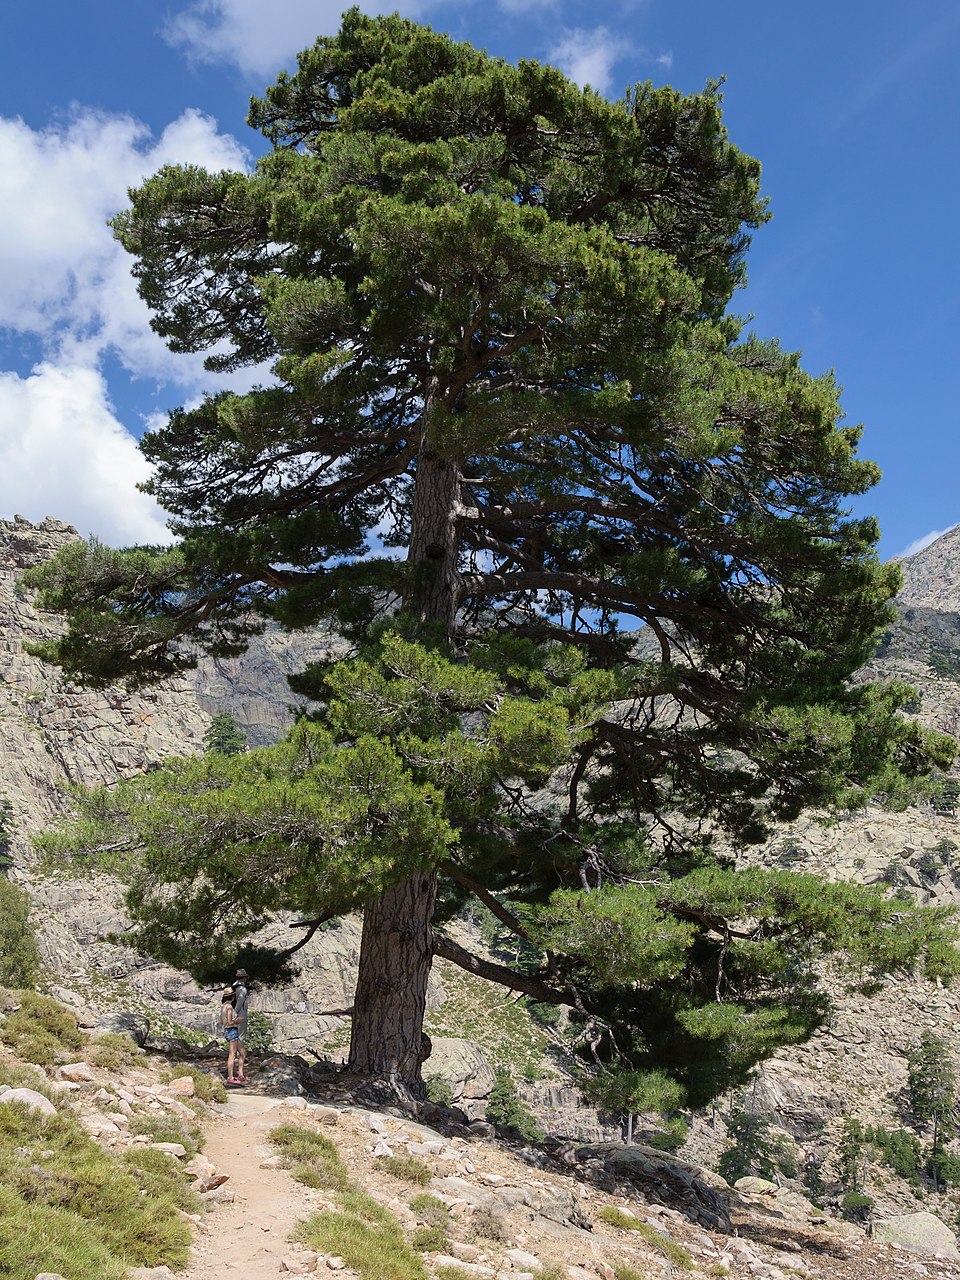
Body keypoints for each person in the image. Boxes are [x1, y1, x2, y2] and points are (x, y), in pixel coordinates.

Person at [220, 987, 243, 1084]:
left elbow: (222, 1021)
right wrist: (237, 1020)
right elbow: (229, 1022)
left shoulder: (223, 1007)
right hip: (232, 1030)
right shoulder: (229, 1007)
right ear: (232, 997)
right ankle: (230, 1077)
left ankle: (240, 1074)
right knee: (232, 1055)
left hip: (227, 1031)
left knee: (242, 1051)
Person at [231, 968, 249, 1083]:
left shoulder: (233, 987)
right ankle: (240, 1073)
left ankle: (231, 1072)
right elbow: (240, 1002)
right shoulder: (242, 989)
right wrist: (235, 1015)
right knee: (240, 1041)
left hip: (232, 1016)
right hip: (240, 1016)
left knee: (233, 1043)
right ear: (244, 977)